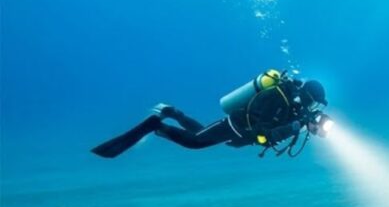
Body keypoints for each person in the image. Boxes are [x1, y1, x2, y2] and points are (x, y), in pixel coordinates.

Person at [91, 70, 332, 158]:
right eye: (313, 103)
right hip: (237, 125)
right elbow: (261, 129)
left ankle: (172, 112)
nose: (312, 109)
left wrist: (305, 125)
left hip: (242, 134)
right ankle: (156, 125)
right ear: (307, 97)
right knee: (196, 142)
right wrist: (290, 128)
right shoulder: (277, 97)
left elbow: (276, 130)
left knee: (201, 133)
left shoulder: (294, 108)